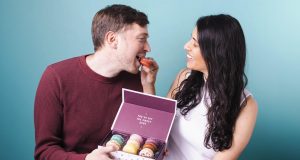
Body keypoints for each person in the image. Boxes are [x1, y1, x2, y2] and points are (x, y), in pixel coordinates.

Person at [34, 4, 158, 160]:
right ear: (112, 39)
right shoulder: (56, 77)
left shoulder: (137, 80)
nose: (148, 47)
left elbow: (149, 139)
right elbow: (44, 152)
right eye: (142, 39)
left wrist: (148, 86)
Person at [165, 14, 258, 160]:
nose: (186, 46)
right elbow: (159, 124)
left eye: (195, 44)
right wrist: (148, 84)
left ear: (217, 53)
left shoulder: (246, 105)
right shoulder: (184, 77)